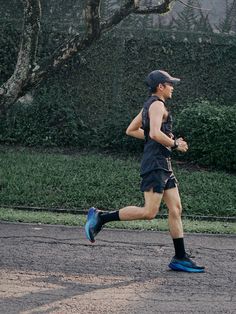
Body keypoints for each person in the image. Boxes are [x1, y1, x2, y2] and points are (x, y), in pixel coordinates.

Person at [85, 70, 205, 273]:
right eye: (170, 84)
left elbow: (132, 130)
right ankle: (100, 217)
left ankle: (180, 257)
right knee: (149, 212)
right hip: (155, 165)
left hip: (163, 165)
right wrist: (174, 143)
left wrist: (162, 139)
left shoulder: (148, 106)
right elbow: (155, 133)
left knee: (175, 209)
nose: (172, 87)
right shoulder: (157, 105)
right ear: (161, 86)